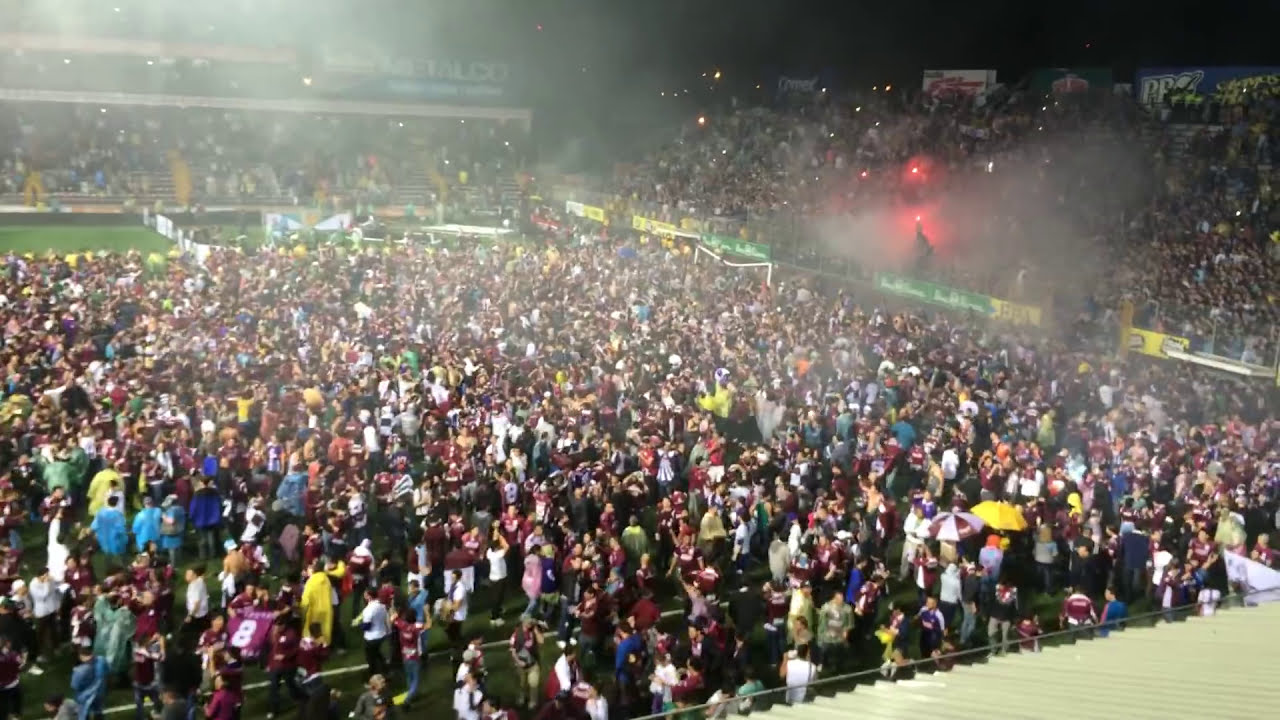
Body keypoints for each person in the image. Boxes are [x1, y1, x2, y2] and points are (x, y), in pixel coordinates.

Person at [355, 588, 389, 679]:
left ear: (369, 596)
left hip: (371, 638)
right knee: (377, 652)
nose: (364, 596)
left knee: (371, 658)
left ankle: (373, 675)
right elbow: (386, 619)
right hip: (381, 634)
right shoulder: (382, 606)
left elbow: (367, 626)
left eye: (365, 595)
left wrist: (359, 624)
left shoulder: (368, 610)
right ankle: (385, 668)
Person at [71, 646, 108, 720]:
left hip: (85, 696)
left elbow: (74, 686)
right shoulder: (102, 660)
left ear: (81, 656)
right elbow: (107, 672)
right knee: (98, 711)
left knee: (84, 714)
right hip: (99, 692)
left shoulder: (79, 670)